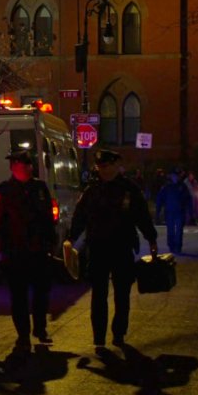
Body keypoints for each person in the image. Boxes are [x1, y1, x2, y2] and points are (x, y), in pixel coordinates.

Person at [67, 149, 157, 347]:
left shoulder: (129, 189)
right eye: (100, 167)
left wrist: (151, 238)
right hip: (98, 248)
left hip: (121, 247)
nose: (103, 170)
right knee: (98, 295)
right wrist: (70, 239)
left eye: (107, 166)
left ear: (117, 165)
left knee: (122, 295)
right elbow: (80, 217)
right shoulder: (92, 190)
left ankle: (118, 333)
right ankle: (99, 337)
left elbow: (141, 215)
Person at [0, 150, 58, 353]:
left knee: (41, 292)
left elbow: (48, 219)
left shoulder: (39, 189)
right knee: (19, 296)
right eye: (15, 165)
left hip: (39, 250)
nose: (19, 168)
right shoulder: (4, 191)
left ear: (29, 167)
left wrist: (52, 241)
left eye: (23, 165)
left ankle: (40, 329)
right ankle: (23, 335)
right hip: (14, 251)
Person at [156, 169, 192, 254]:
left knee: (179, 230)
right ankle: (171, 245)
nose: (175, 178)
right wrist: (158, 210)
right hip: (169, 211)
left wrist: (189, 211)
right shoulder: (167, 187)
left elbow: (188, 199)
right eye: (173, 176)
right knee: (170, 230)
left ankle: (178, 246)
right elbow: (160, 198)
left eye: (176, 176)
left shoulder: (182, 186)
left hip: (179, 211)